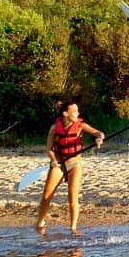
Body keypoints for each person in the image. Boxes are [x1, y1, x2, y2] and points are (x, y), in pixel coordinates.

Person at [36, 99, 105, 236]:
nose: (78, 113)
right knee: (46, 197)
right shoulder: (55, 128)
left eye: (78, 111)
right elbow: (49, 150)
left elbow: (99, 133)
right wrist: (54, 160)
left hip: (75, 164)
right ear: (65, 113)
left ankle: (73, 227)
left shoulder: (80, 125)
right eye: (75, 111)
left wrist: (99, 139)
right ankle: (40, 222)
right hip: (59, 164)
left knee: (72, 198)